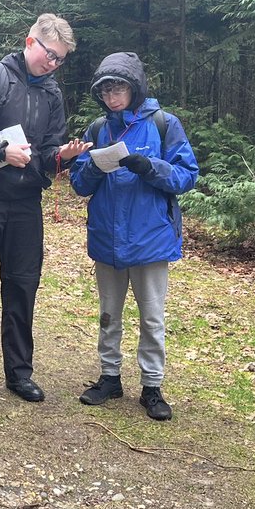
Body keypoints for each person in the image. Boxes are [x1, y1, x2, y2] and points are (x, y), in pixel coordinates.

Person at [0, 14, 89, 408]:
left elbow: (47, 151)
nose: (53, 64)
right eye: (50, 55)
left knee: (23, 285)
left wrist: (62, 155)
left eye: (61, 59)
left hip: (27, 202)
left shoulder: (52, 94)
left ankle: (19, 374)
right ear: (31, 43)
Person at [68, 52, 199, 421]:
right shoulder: (97, 129)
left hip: (151, 239)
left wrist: (150, 167)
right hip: (107, 237)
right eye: (105, 90)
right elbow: (78, 184)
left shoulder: (163, 124)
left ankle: (152, 387)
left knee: (152, 317)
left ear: (135, 87)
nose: (112, 97)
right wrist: (92, 168)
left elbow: (187, 175)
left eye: (119, 88)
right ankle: (110, 378)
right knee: (109, 314)